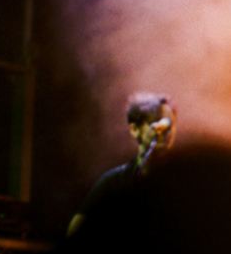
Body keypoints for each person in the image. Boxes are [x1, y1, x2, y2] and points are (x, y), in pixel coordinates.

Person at [67, 93, 176, 235]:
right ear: (134, 130)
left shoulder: (183, 180)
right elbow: (74, 229)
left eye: (170, 124)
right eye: (155, 122)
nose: (165, 130)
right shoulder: (114, 182)